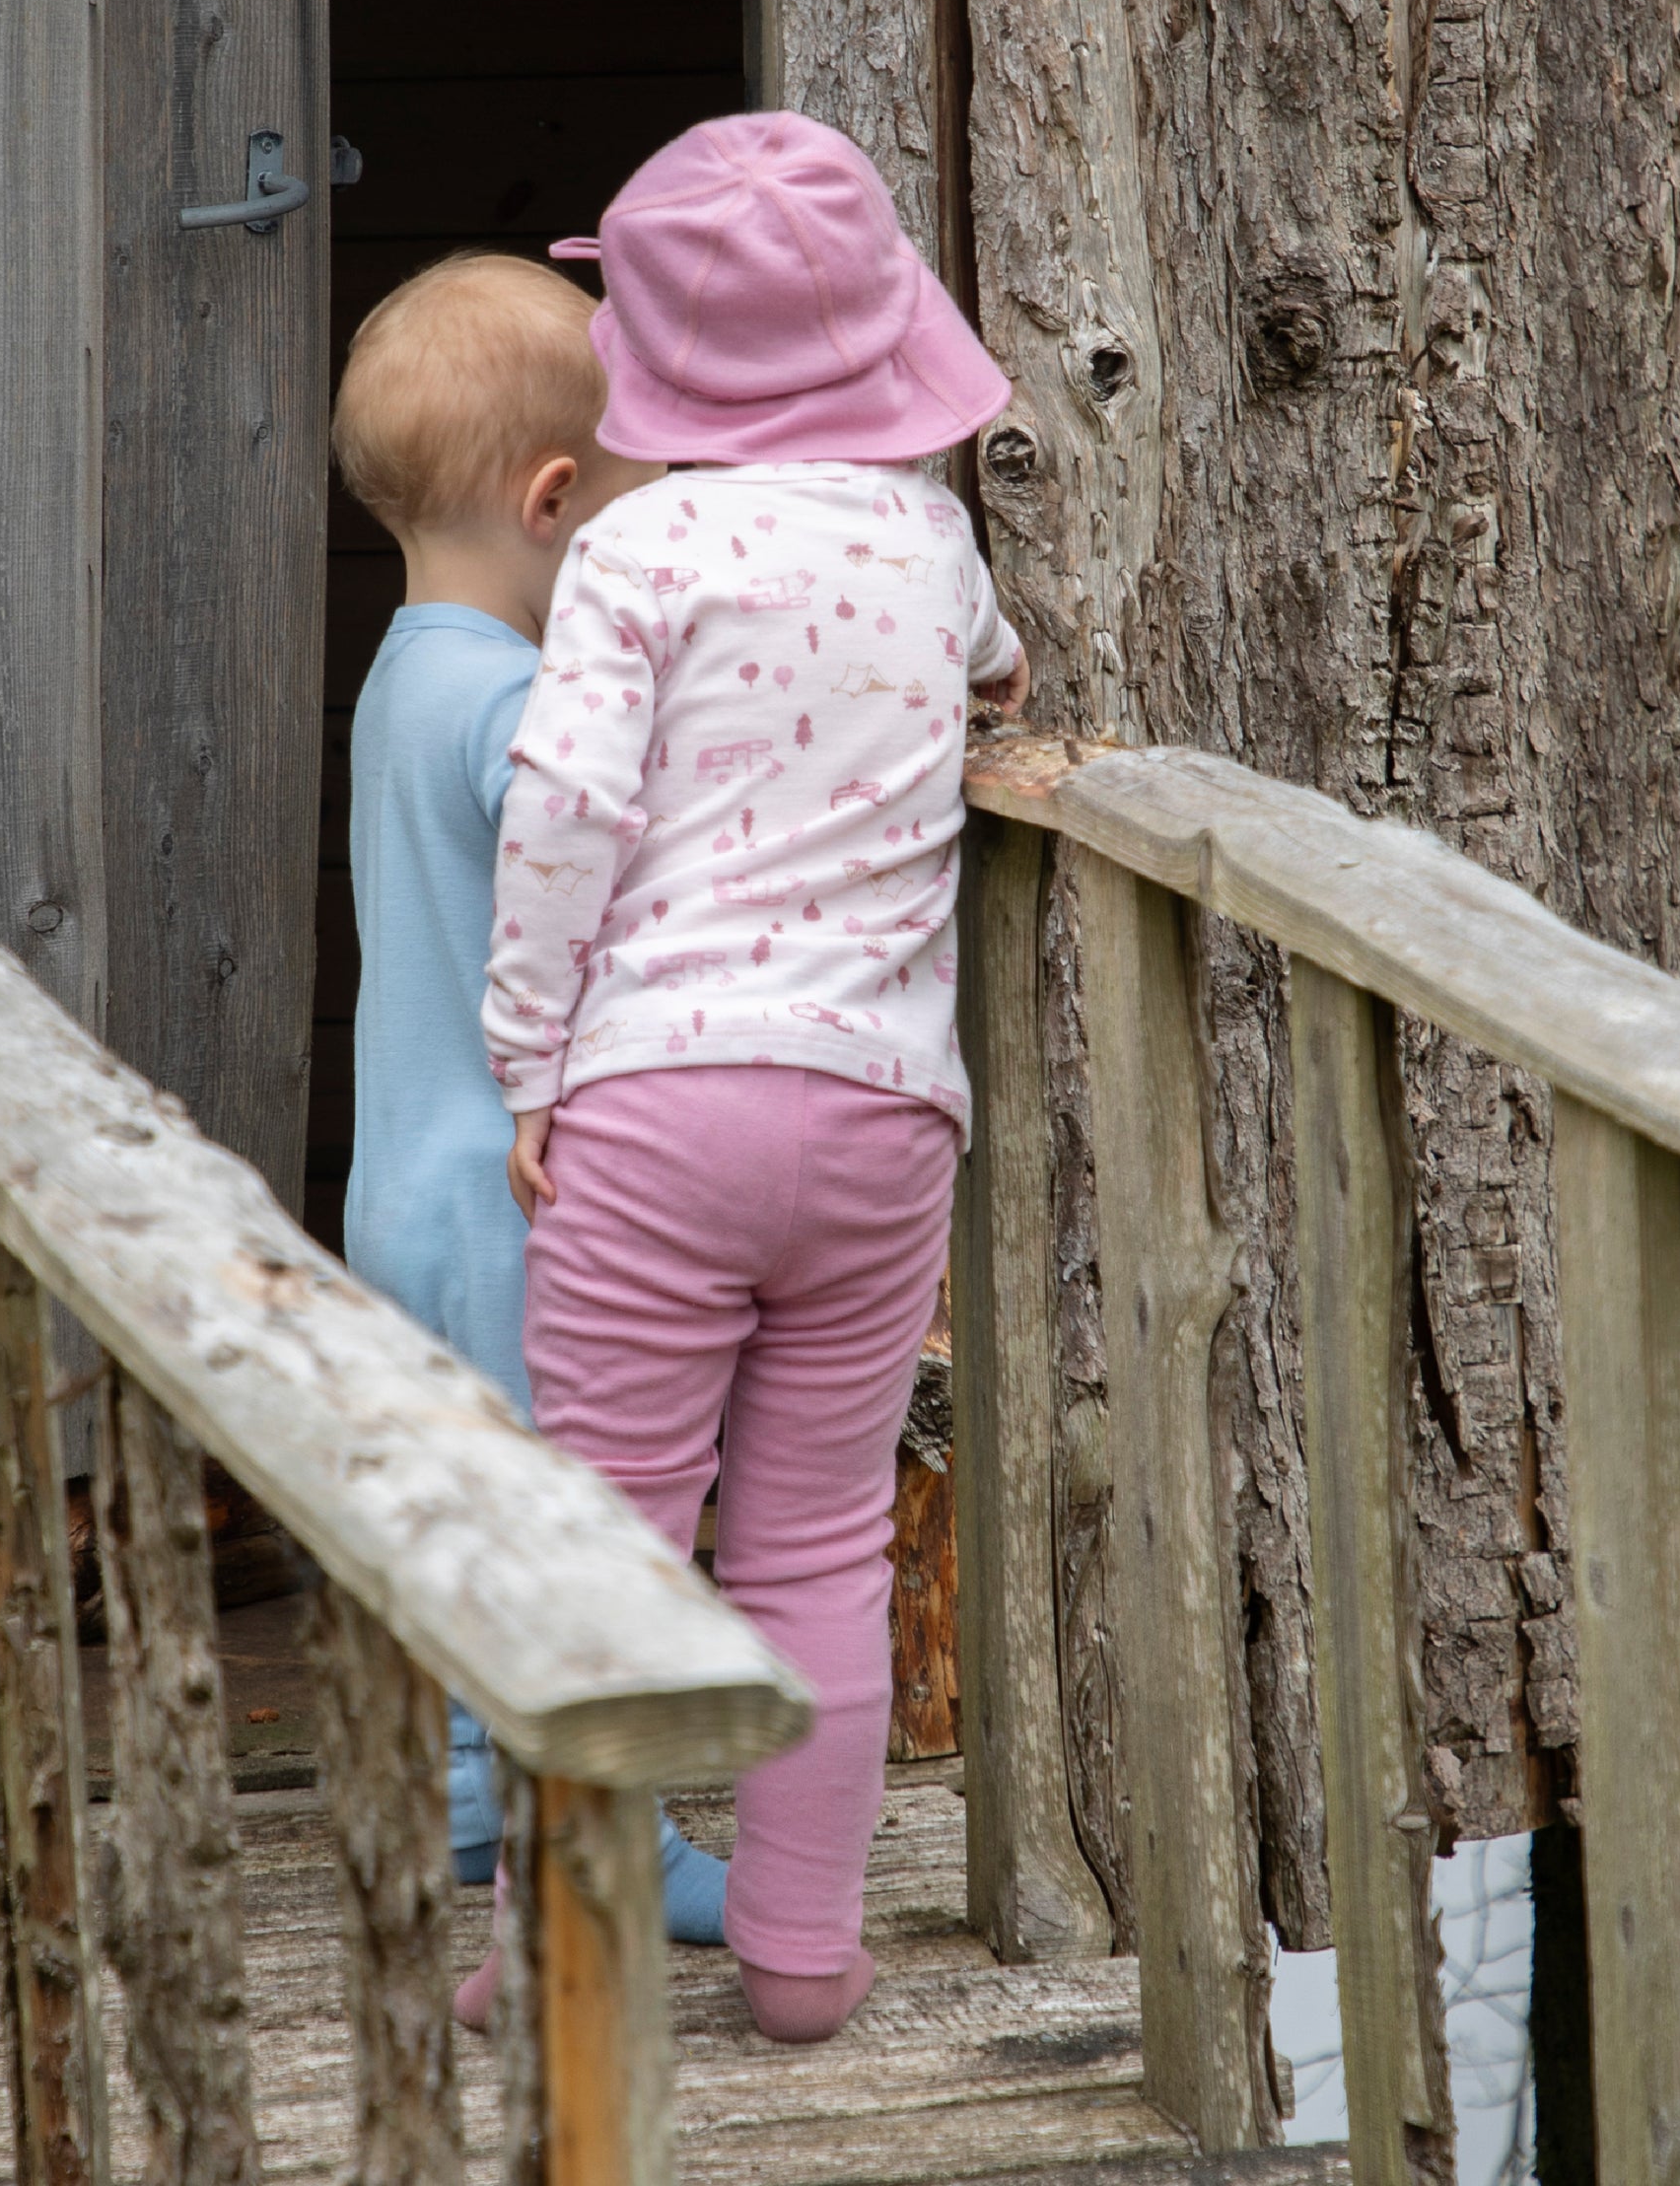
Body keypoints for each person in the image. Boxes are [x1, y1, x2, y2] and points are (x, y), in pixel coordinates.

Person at [473, 111, 1027, 2043]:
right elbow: (996, 671)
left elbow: (561, 813)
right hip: (881, 1118)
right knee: (813, 1553)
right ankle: (801, 1953)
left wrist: (527, 1062)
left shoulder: (632, 552)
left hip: (655, 1104)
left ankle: (568, 1956)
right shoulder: (931, 541)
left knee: (605, 1538)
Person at [332, 250, 729, 1939]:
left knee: (460, 1507)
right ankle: (605, 1839)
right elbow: (614, 833)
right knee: (567, 1509)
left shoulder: (402, 674)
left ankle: (469, 1821)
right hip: (512, 1194)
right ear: (559, 503)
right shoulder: (516, 700)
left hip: (395, 1189)